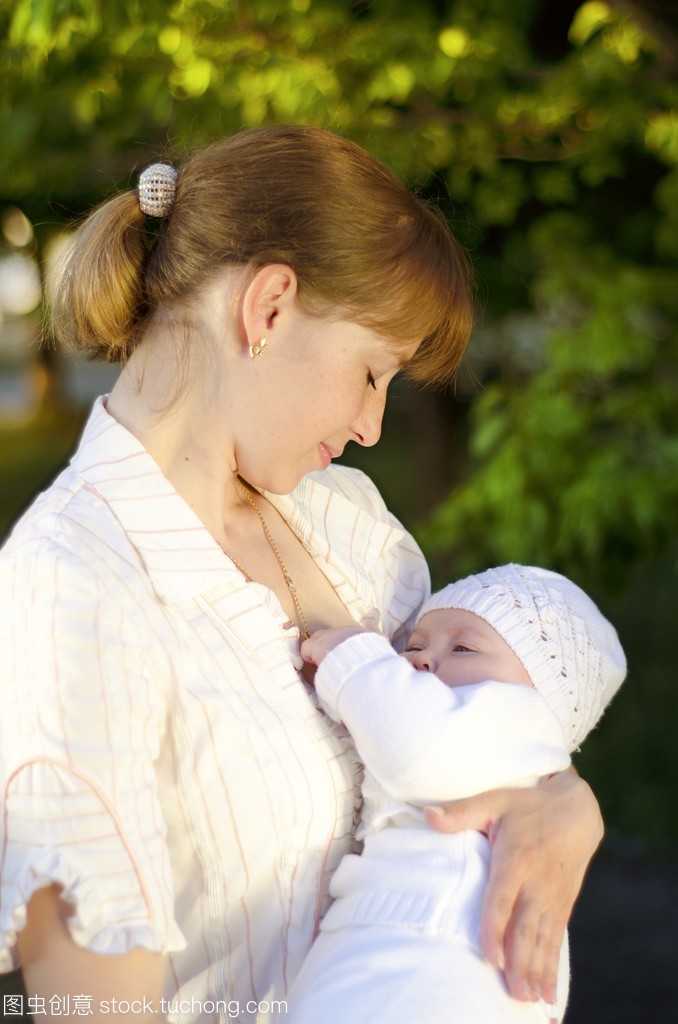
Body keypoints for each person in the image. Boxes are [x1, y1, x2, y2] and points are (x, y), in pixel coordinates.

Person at [0, 126, 603, 1024]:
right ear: (270, 307)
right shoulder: (71, 591)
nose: (370, 426)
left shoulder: (352, 525)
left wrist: (563, 801)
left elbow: (456, 737)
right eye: (372, 372)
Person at [282, 564, 627, 1024]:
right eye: (415, 644)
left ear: (544, 696)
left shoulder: (520, 714)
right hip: (428, 945)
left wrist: (354, 659)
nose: (419, 660)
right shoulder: (498, 740)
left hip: (434, 946)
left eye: (463, 648)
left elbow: (413, 748)